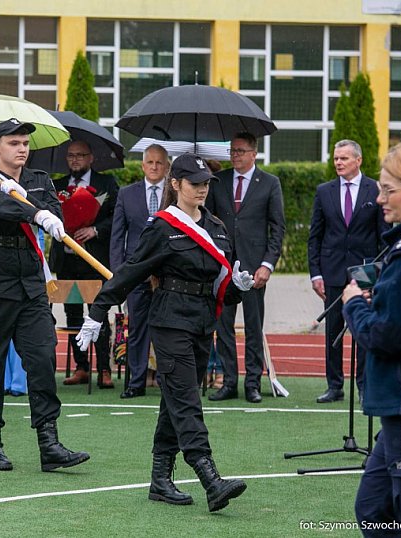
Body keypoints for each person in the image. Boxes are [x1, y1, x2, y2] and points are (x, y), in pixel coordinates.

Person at [77, 153, 253, 512]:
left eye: (206, 183)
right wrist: (98, 310)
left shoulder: (216, 227)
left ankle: (160, 480)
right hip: (170, 320)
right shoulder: (162, 227)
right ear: (176, 185)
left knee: (174, 399)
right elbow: (131, 271)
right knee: (187, 399)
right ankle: (209, 477)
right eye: (195, 183)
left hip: (203, 322)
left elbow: (220, 286)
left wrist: (238, 286)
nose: (202, 189)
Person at [0, 118, 89, 472]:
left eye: (25, 143)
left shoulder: (39, 180)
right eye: (14, 142)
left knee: (41, 358)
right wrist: (35, 211)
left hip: (31, 281)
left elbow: (55, 211)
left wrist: (41, 210)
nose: (22, 148)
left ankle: (49, 443)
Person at [342, 142, 401, 535]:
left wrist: (354, 303)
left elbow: (385, 336)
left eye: (390, 190)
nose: (379, 198)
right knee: (372, 508)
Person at [205, 132, 286, 404]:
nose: (235, 155)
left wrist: (267, 265)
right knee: (223, 326)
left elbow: (278, 228)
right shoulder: (219, 182)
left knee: (253, 326)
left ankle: (253, 383)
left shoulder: (270, 183)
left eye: (240, 150)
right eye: (232, 150)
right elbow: (209, 222)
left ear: (254, 153)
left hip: (255, 270)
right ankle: (229, 382)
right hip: (224, 267)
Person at [308, 139, 388, 404]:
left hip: (365, 273)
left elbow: (383, 237)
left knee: (364, 327)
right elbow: (315, 236)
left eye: (343, 158)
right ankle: (335, 386)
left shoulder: (375, 190)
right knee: (333, 331)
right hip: (331, 271)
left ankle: (364, 384)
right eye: (336, 159)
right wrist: (315, 273)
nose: (338, 163)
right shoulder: (324, 191)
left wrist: (379, 274)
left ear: (358, 160)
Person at [49, 140, 119, 389]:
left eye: (80, 155)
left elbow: (116, 218)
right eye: (71, 155)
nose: (75, 160)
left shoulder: (107, 184)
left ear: (91, 158)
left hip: (95, 261)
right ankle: (81, 367)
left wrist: (95, 229)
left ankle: (103, 369)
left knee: (98, 313)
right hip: (67, 260)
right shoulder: (56, 186)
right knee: (72, 314)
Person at [109, 143, 169, 399]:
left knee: (168, 331)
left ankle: (169, 383)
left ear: (167, 167)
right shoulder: (126, 194)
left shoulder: (176, 193)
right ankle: (136, 382)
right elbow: (117, 238)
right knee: (137, 331)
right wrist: (118, 276)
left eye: (159, 163)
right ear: (143, 165)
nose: (154, 167)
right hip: (135, 276)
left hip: (168, 274)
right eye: (150, 162)